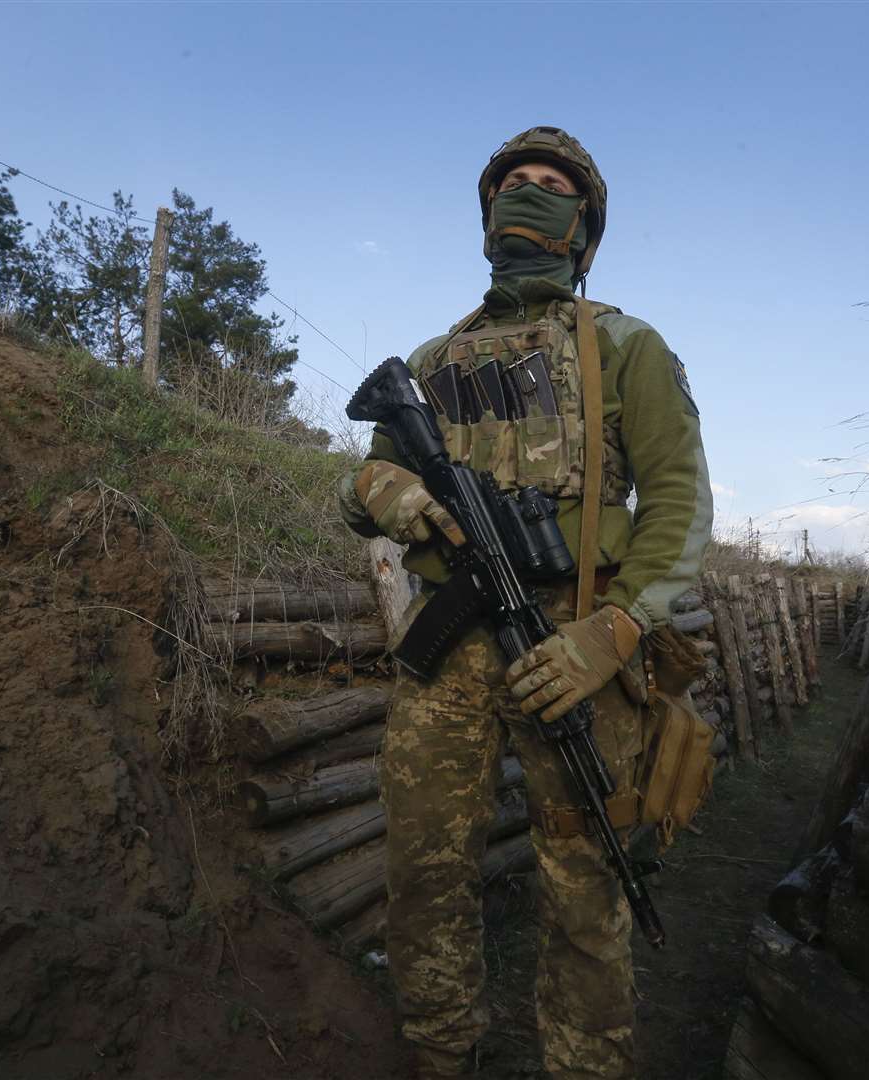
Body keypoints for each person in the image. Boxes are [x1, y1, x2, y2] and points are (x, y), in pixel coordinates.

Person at [337, 126, 712, 1079]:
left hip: (576, 646)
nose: (528, 196)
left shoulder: (627, 344)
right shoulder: (433, 358)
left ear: (581, 227)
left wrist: (616, 628)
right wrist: (397, 495)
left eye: (551, 187)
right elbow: (363, 481)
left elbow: (677, 501)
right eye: (513, 183)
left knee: (585, 887)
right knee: (423, 870)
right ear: (488, 213)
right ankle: (438, 1050)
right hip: (452, 641)